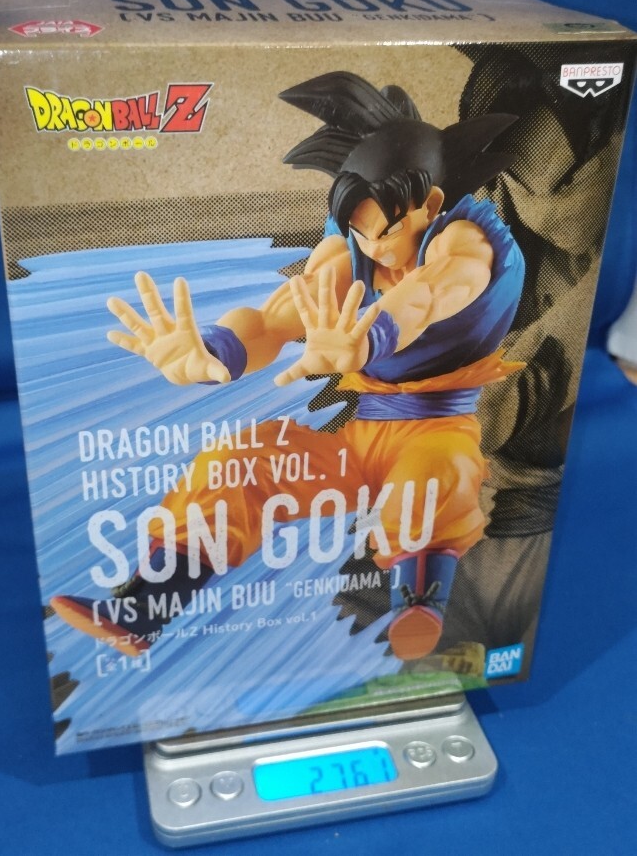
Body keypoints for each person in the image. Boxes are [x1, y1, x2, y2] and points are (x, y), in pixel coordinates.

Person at [52, 71, 525, 661]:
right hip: (362, 432)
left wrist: (370, 339)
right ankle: (144, 608)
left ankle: (419, 606)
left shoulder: (468, 241)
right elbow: (275, 319)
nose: (373, 248)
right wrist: (212, 351)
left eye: (386, 231)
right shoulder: (347, 247)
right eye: (360, 232)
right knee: (235, 462)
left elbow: (428, 295)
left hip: (438, 426)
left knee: (435, 475)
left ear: (429, 205)